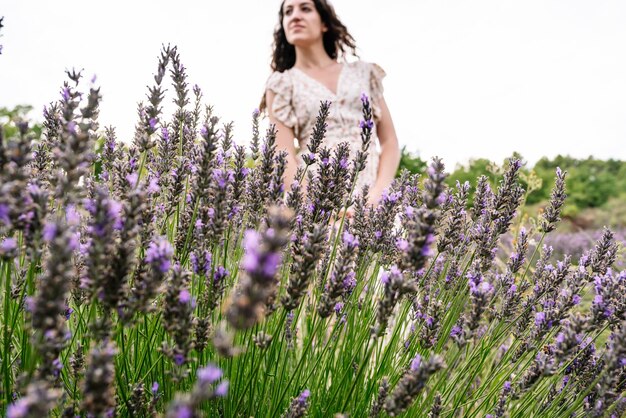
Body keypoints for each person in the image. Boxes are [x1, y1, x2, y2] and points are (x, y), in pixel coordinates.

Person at [261, 0, 401, 208]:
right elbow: (283, 153)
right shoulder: (282, 84)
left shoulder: (363, 73)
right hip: (316, 197)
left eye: (305, 8)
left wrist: (377, 196)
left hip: (372, 199)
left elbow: (389, 142)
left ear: (324, 23)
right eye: (288, 12)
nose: (295, 16)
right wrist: (318, 209)